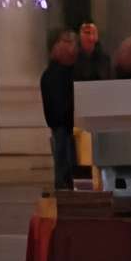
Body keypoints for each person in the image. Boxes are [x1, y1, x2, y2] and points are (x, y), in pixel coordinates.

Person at [41, 28, 79, 192]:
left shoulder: (74, 70)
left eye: (73, 42)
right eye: (67, 42)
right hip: (63, 125)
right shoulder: (53, 74)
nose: (72, 46)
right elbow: (55, 104)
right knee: (64, 164)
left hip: (74, 124)